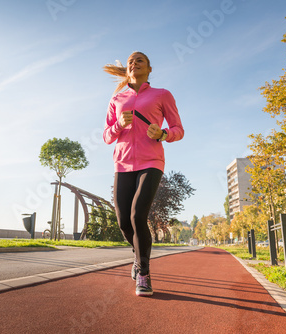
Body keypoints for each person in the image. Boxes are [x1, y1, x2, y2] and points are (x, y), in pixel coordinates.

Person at [103, 51, 184, 296]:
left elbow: (178, 129)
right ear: (127, 70)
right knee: (123, 221)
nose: (134, 63)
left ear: (149, 68)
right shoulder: (117, 99)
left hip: (151, 162)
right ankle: (138, 256)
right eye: (130, 61)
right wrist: (119, 124)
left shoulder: (162, 95)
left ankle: (144, 274)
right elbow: (107, 136)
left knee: (138, 215)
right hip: (123, 163)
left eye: (139, 60)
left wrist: (163, 134)